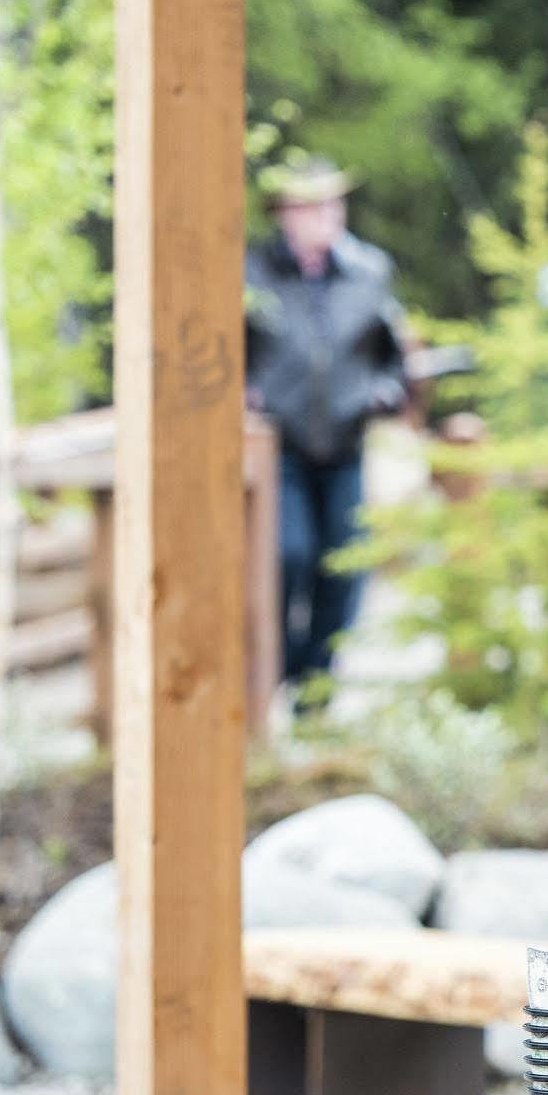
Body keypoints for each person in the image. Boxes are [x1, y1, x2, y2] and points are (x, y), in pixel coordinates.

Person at [244, 157, 409, 710]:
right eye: (312, 206)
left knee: (344, 565)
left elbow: (392, 354)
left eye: (333, 205)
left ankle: (315, 687)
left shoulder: (368, 271)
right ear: (285, 215)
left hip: (345, 442)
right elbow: (227, 351)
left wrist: (384, 391)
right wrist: (245, 394)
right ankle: (282, 667)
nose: (325, 216)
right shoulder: (254, 272)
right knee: (289, 555)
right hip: (279, 446)